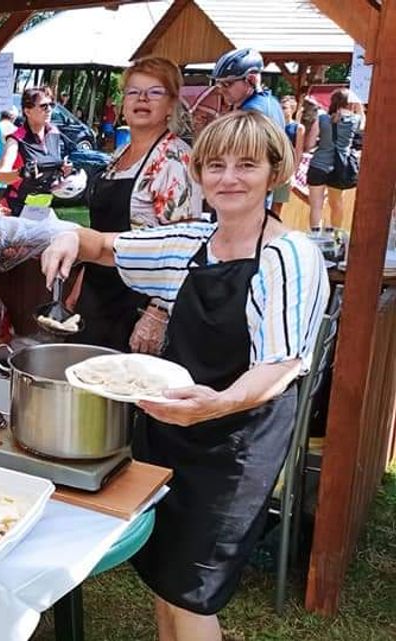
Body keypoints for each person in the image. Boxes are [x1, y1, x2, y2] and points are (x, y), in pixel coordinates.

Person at [41, 110, 329, 641]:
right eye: (215, 165)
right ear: (198, 174)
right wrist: (68, 240)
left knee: (192, 586)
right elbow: (104, 246)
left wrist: (216, 405)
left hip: (236, 437)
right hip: (171, 422)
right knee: (164, 569)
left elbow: (280, 365)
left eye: (247, 164)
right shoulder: (191, 241)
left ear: (275, 171)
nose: (229, 178)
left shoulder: (290, 256)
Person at [71, 56, 203, 355]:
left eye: (154, 92)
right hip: (99, 291)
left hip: (140, 302)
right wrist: (83, 278)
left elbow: (185, 248)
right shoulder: (120, 154)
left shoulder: (174, 160)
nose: (142, 99)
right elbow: (101, 230)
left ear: (171, 104)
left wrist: (157, 314)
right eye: (133, 91)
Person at [211, 48, 288, 210]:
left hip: (246, 195)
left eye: (228, 83)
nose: (222, 89)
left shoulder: (250, 113)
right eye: (219, 83)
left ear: (251, 79)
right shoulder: (271, 102)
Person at [0, 86, 72, 216]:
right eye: (44, 106)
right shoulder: (16, 139)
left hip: (43, 207)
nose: (49, 109)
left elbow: (52, 170)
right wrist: (21, 173)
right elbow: (1, 175)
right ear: (27, 111)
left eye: (51, 105)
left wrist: (63, 171)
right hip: (16, 208)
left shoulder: (54, 133)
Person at [306, 88, 362, 230]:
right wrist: (359, 105)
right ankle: (336, 235)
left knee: (316, 206)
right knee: (336, 204)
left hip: (319, 165)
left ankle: (315, 238)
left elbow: (310, 144)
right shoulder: (354, 120)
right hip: (339, 167)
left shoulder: (322, 118)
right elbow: (363, 123)